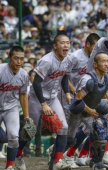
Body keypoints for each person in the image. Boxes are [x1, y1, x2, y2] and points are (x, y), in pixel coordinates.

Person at [15, 34, 73, 170]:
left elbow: (64, 77)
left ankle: (57, 161)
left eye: (68, 42)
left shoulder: (68, 60)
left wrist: (67, 93)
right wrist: (43, 104)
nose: (66, 45)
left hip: (53, 98)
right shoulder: (47, 60)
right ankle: (18, 155)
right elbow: (36, 83)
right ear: (55, 45)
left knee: (63, 128)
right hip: (36, 99)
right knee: (29, 131)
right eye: (62, 43)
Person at [66, 53, 108, 170]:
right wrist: (89, 110)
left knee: (101, 135)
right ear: (95, 64)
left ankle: (96, 162)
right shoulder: (88, 79)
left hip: (90, 112)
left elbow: (102, 92)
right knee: (69, 140)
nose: (106, 64)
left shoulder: (106, 78)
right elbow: (77, 99)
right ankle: (55, 158)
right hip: (77, 112)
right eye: (103, 61)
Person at [0, 46, 29, 170]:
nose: (19, 62)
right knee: (2, 137)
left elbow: (23, 95)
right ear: (9, 59)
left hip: (11, 107)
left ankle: (9, 166)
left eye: (21, 59)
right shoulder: (1, 70)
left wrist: (27, 116)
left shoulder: (24, 75)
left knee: (13, 136)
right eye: (16, 58)